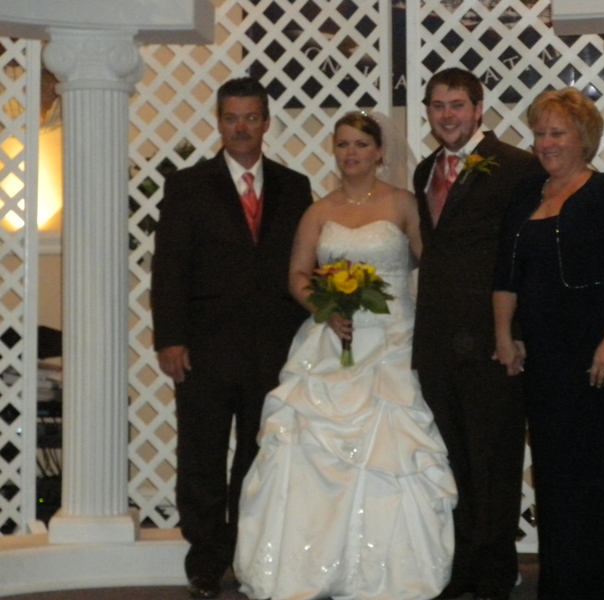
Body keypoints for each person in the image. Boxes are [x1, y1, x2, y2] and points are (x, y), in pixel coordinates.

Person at [233, 111, 457, 600]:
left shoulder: (403, 204)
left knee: (391, 448)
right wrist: (326, 307)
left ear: (380, 152)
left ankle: (388, 571)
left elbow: (435, 266)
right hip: (332, 340)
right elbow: (297, 275)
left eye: (360, 144)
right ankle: (309, 567)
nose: (351, 153)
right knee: (304, 446)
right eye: (343, 145)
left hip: (392, 342)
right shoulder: (319, 211)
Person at [151, 77, 313, 600]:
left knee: (257, 455)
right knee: (201, 454)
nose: (241, 128)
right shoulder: (188, 185)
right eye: (231, 118)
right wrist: (170, 338)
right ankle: (204, 561)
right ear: (219, 122)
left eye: (250, 117)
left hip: (273, 346)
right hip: (204, 348)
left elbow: (306, 264)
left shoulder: (294, 186)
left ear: (266, 122)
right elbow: (169, 268)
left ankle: (247, 553)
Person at [493, 87, 604, 600]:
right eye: (540, 133)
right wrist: (505, 335)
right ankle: (562, 584)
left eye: (557, 132)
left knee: (596, 473)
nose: (546, 143)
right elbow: (505, 275)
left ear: (583, 137)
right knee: (555, 475)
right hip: (545, 359)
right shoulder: (526, 195)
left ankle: (598, 583)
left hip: (600, 355)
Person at [412, 67, 548, 600]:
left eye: (457, 105)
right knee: (452, 458)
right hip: (437, 340)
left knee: (495, 458)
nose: (447, 115)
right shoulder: (424, 170)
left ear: (478, 109)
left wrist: (514, 332)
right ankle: (463, 563)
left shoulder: (516, 166)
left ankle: (495, 569)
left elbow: (524, 256)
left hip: (493, 339)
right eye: (438, 105)